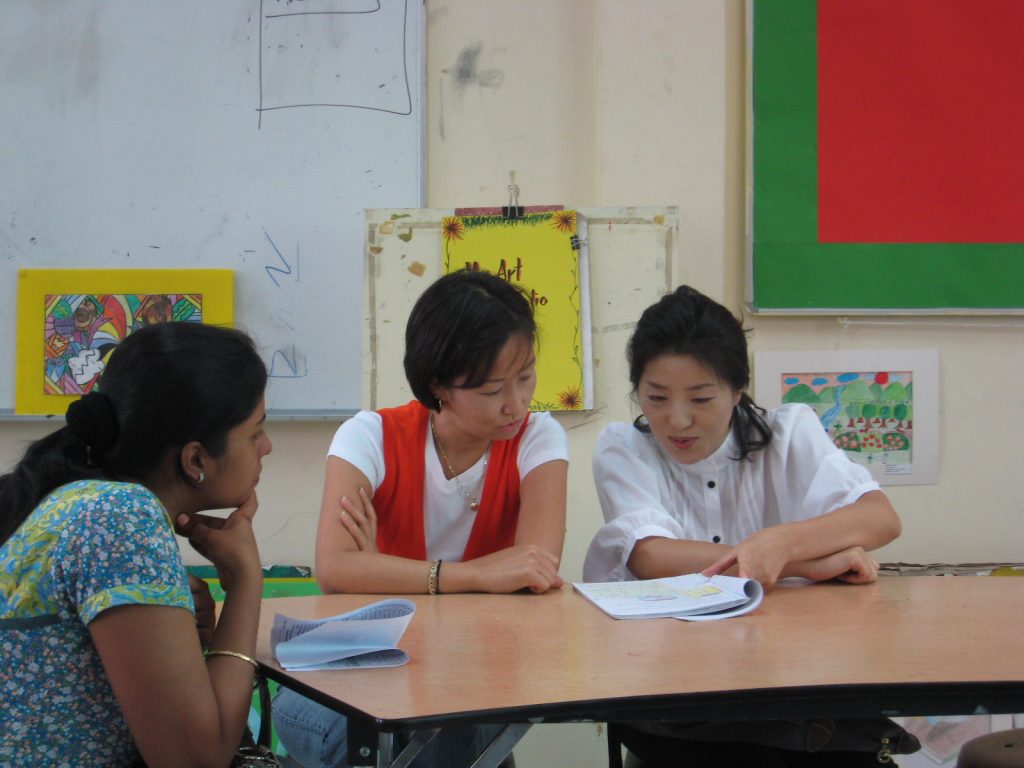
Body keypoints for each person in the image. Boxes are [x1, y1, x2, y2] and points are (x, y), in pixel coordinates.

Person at [584, 285, 903, 768]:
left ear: (737, 391)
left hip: (795, 690)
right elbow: (651, 556)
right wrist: (810, 565)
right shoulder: (624, 448)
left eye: (701, 398)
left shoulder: (789, 433)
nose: (678, 420)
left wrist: (780, 542)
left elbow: (880, 518)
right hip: (679, 707)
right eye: (656, 397)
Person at [273, 270, 568, 767]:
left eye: (526, 376)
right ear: (438, 385)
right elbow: (336, 568)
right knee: (383, 737)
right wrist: (475, 575)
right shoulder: (368, 436)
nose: (516, 404)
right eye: (493, 388)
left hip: (473, 677)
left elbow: (533, 573)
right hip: (358, 668)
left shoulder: (539, 439)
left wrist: (384, 571)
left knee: (443, 735)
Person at [0, 322, 273, 768]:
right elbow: (196, 760)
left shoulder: (83, 499)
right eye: (255, 432)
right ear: (196, 460)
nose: (267, 447)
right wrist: (245, 582)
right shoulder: (121, 517)